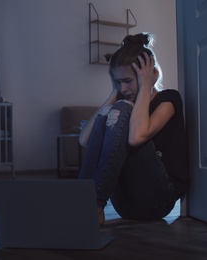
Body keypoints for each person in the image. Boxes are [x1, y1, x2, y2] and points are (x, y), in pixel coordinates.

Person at [78, 32, 189, 225]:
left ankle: (93, 204)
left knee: (121, 109)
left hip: (158, 200)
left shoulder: (169, 99)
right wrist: (114, 93)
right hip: (125, 203)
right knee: (113, 110)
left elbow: (138, 137)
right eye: (118, 82)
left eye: (128, 81)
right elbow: (85, 140)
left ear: (152, 74)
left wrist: (145, 87)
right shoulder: (121, 103)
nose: (124, 89)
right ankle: (82, 201)